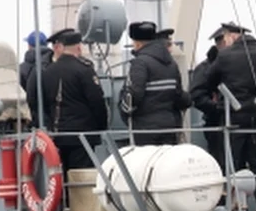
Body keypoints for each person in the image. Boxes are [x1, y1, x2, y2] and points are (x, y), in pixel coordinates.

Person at [206, 22, 256, 211]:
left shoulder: (225, 56)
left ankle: (238, 208)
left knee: (234, 162)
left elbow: (210, 79)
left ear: (232, 36)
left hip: (235, 117)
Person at [25, 28, 108, 171]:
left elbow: (38, 102)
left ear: (59, 48)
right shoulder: (84, 69)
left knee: (61, 176)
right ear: (78, 47)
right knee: (81, 178)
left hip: (58, 135)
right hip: (83, 136)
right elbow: (97, 102)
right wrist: (100, 127)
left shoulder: (48, 71)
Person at [120, 22, 191, 146]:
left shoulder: (140, 63)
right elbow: (178, 95)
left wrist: (124, 111)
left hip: (146, 129)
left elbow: (134, 95)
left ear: (137, 43)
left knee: (147, 164)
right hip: (170, 127)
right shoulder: (171, 63)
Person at [190, 26, 228, 169]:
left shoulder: (239, 63)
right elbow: (196, 95)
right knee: (220, 161)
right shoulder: (204, 68)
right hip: (216, 122)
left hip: (241, 121)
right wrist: (216, 107)